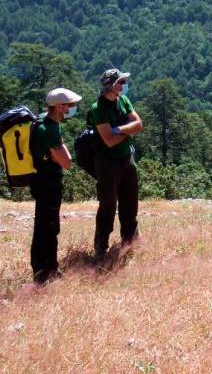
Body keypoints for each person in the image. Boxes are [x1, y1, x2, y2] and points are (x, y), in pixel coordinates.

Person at [88, 69, 143, 262]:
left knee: (130, 202)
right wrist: (128, 130)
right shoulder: (98, 108)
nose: (124, 84)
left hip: (127, 158)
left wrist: (118, 129)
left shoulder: (123, 101)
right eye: (121, 82)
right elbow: (108, 141)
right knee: (108, 204)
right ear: (112, 85)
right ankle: (101, 246)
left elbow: (139, 124)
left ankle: (130, 242)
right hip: (107, 162)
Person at [29, 87, 82, 284]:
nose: (73, 107)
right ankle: (45, 273)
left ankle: (46, 269)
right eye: (70, 104)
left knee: (45, 226)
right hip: (48, 183)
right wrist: (63, 151)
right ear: (59, 106)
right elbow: (66, 162)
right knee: (48, 228)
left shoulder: (45, 120)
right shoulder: (48, 129)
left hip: (41, 181)